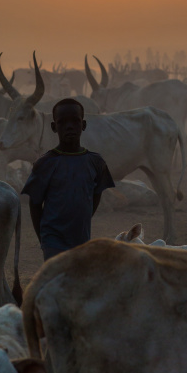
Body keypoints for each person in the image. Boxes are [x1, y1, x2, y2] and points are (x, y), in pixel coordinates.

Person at [21, 98, 115, 261]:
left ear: (83, 125)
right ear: (54, 127)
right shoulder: (45, 164)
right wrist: (44, 239)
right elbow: (35, 204)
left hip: (82, 240)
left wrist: (83, 219)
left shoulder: (96, 162)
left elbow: (96, 193)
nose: (69, 126)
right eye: (62, 122)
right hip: (53, 242)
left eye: (75, 121)